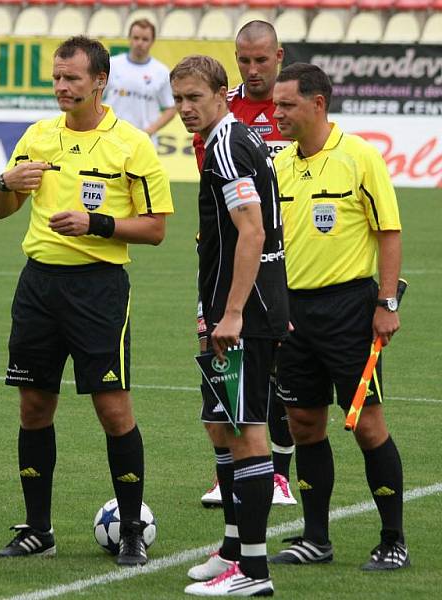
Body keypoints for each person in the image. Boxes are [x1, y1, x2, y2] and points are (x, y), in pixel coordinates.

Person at [0, 36, 173, 567]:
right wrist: (5, 181)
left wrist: (96, 224)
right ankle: (38, 529)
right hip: (38, 287)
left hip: (98, 289)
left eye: (72, 78)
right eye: (56, 77)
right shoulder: (38, 136)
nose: (62, 87)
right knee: (33, 406)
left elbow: (156, 228)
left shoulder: (131, 144)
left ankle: (133, 529)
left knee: (113, 411)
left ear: (100, 83)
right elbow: (1, 208)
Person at [269, 63, 409, 571]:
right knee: (304, 423)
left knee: (368, 426)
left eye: (287, 105)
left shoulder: (360, 158)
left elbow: (388, 232)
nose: (277, 113)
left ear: (318, 104)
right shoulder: (279, 164)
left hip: (350, 309)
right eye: (276, 105)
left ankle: (393, 539)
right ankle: (315, 538)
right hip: (291, 314)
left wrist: (386, 303)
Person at [172, 55, 288, 596]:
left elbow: (252, 233)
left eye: (194, 97)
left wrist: (234, 312)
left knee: (247, 433)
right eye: (178, 100)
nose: (185, 109)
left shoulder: (226, 145)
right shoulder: (235, 139)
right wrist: (211, 310)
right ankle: (234, 549)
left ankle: (254, 572)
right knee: (222, 425)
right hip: (230, 307)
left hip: (248, 310)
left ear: (222, 93)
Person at [195, 20, 296, 510]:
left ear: (280, 55)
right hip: (233, 254)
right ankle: (230, 476)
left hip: (281, 255)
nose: (252, 70)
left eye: (261, 60)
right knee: (222, 364)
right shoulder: (222, 109)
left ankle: (279, 474)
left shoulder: (294, 104)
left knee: (276, 370)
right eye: (243, 60)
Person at [104, 19, 176, 145]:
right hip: (111, 138)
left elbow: (171, 108)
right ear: (129, 38)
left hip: (144, 142)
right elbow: (94, 96)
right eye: (136, 38)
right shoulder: (111, 64)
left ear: (152, 42)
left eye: (145, 39)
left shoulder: (161, 72)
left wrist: (149, 131)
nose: (139, 43)